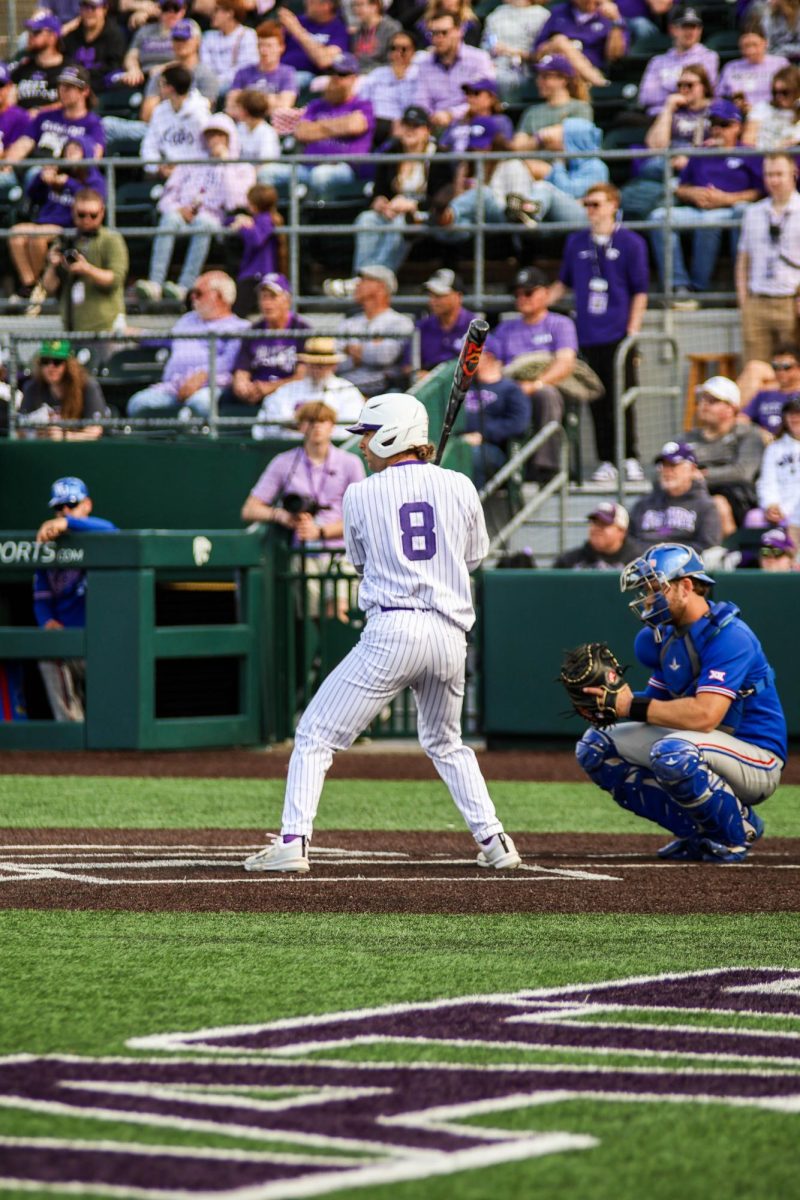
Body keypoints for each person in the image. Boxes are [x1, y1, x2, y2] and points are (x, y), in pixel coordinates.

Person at [243, 391, 522, 874]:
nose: (364, 447)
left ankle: (293, 841)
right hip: (449, 636)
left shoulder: (361, 493)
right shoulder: (459, 484)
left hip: (394, 628)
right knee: (446, 742)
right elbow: (474, 557)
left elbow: (361, 561)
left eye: (369, 436)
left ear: (393, 435)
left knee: (313, 734)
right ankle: (496, 842)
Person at [576, 541, 786, 863]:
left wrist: (630, 707)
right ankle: (698, 833)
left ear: (685, 586)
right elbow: (657, 706)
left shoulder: (729, 635)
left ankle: (736, 831)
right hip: (702, 745)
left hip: (756, 757)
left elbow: (705, 716)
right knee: (596, 747)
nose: (647, 599)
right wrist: (609, 703)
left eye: (654, 588)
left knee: (673, 753)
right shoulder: (661, 637)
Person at [550, 182, 649, 486]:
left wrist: (633, 329)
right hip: (588, 334)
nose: (590, 211)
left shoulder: (631, 243)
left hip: (618, 332)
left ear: (612, 205)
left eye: (596, 204)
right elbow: (563, 283)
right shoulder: (576, 242)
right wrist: (541, 300)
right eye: (587, 205)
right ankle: (607, 459)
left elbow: (640, 292)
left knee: (624, 398)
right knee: (597, 399)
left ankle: (629, 456)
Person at [241, 399, 366, 616]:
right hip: (303, 554)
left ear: (331, 425)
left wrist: (320, 531)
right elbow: (250, 509)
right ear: (300, 426)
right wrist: (280, 515)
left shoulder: (350, 463)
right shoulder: (284, 462)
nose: (316, 427)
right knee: (310, 617)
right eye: (310, 421)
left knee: (338, 612)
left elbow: (363, 517)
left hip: (341, 551)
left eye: (322, 421)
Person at [649, 99, 763, 308]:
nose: (717, 129)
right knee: (658, 217)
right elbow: (681, 187)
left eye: (724, 124)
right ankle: (678, 286)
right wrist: (693, 193)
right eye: (714, 124)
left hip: (730, 211)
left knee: (712, 221)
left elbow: (759, 193)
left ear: (737, 126)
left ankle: (698, 287)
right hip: (697, 208)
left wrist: (727, 199)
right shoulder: (701, 152)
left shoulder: (748, 153)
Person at [136, 112, 256, 304]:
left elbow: (235, 202)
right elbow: (166, 198)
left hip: (216, 222)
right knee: (169, 218)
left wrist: (225, 163)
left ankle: (185, 287)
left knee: (203, 222)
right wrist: (178, 208)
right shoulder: (190, 162)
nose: (214, 140)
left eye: (219, 135)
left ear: (229, 138)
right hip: (183, 217)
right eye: (210, 135)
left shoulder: (242, 168)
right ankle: (155, 284)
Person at [33, 475, 117, 722]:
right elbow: (41, 599)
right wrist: (47, 621)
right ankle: (70, 733)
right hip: (68, 644)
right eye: (60, 508)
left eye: (72, 505)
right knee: (48, 651)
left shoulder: (99, 534)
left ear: (87, 505)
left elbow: (111, 530)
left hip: (102, 643)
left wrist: (68, 524)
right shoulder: (48, 544)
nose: (65, 511)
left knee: (109, 716)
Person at [489, 265, 577, 484]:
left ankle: (545, 467)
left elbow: (565, 363)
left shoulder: (560, 323)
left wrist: (535, 384)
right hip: (510, 387)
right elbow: (493, 364)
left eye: (528, 292)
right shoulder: (504, 329)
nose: (522, 298)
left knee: (545, 395)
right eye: (517, 293)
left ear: (545, 293)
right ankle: (495, 464)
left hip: (546, 387)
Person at [126, 271, 249, 419]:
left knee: (199, 404)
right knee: (137, 404)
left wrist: (203, 376)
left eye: (199, 293)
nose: (192, 297)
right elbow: (166, 338)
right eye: (192, 292)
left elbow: (228, 362)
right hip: (174, 388)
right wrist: (138, 334)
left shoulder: (239, 327)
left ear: (220, 296)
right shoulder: (187, 320)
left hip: (211, 387)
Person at [8, 136, 106, 308]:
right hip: (44, 221)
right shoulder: (57, 171)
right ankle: (30, 285)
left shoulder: (93, 178)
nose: (70, 154)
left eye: (75, 151)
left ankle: (42, 287)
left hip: (69, 225)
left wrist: (69, 183)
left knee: (36, 238)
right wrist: (42, 178)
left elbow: (93, 201)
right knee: (15, 233)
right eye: (67, 150)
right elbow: (32, 195)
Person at [261, 54, 376, 202]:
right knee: (267, 172)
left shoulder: (363, 104)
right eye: (332, 73)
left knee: (320, 175)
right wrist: (340, 125)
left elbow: (354, 125)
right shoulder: (317, 105)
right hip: (307, 166)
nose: (335, 78)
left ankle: (317, 218)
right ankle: (271, 220)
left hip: (344, 167)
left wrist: (317, 127)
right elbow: (301, 132)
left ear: (353, 78)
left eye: (342, 74)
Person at [736, 152, 800, 364]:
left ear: (794, 174)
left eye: (779, 174)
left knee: (792, 371)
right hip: (758, 301)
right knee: (755, 368)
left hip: (791, 301)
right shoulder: (753, 212)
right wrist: (744, 300)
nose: (773, 180)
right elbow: (743, 260)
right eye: (769, 174)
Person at [42, 186, 129, 333]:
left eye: (93, 215)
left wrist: (86, 269)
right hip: (71, 328)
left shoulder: (111, 239)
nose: (87, 220)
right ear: (73, 212)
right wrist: (52, 265)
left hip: (106, 327)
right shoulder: (65, 241)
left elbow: (115, 279)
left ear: (102, 213)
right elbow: (49, 288)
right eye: (81, 215)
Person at [685, 375, 765, 534]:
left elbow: (742, 472)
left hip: (737, 499)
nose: (704, 405)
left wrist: (701, 475)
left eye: (712, 401)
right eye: (701, 399)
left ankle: (728, 554)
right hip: (690, 495)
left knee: (717, 504)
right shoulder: (687, 438)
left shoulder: (749, 435)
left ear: (732, 408)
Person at [222, 272, 311, 415]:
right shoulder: (253, 330)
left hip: (289, 392)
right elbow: (241, 370)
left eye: (273, 297)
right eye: (263, 298)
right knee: (224, 398)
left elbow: (302, 376)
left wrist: (270, 387)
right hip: (255, 391)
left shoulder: (302, 329)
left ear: (287, 300)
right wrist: (242, 386)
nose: (267, 304)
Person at [252, 337, 364, 440]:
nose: (316, 369)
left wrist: (307, 432)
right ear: (305, 364)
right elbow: (264, 429)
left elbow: (349, 433)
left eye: (322, 365)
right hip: (288, 452)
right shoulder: (286, 391)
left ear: (334, 365)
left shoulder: (348, 391)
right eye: (312, 363)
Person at [461, 337, 531, 488]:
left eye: (472, 354)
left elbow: (518, 423)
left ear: (488, 357)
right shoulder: (464, 387)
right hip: (460, 442)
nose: (465, 359)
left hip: (493, 449)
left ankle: (470, 508)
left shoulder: (510, 389)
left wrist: (483, 434)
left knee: (473, 456)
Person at [628, 439, 723, 552]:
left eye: (673, 465)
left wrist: (671, 555)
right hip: (646, 564)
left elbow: (708, 547)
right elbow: (630, 541)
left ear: (692, 469)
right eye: (664, 466)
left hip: (686, 565)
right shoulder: (643, 504)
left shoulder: (705, 506)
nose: (667, 471)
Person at [337, 265, 414, 397]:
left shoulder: (400, 322)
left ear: (381, 287)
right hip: (346, 390)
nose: (358, 285)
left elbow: (384, 356)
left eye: (365, 280)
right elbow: (337, 362)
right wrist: (370, 348)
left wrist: (351, 350)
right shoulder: (349, 322)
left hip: (383, 391)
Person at [5, 64, 105, 163]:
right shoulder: (44, 116)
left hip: (69, 174)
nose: (62, 91)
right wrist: (7, 165)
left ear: (85, 91)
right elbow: (24, 143)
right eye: (61, 85)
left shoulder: (93, 123)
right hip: (37, 169)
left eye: (69, 87)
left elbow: (94, 157)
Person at [414, 12, 496, 129]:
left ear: (459, 31)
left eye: (444, 32)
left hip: (471, 123)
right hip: (434, 125)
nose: (438, 38)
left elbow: (484, 100)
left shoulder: (479, 58)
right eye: (433, 33)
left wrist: (451, 114)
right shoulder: (424, 63)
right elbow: (421, 101)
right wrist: (431, 118)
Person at [19, 339, 110, 440]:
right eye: (45, 361)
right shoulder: (32, 387)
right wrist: (37, 434)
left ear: (68, 365)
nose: (51, 367)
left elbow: (94, 431)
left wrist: (63, 436)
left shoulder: (88, 386)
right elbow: (19, 429)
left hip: (82, 450)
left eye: (57, 362)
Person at [637, 5, 719, 116]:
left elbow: (704, 93)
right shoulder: (658, 61)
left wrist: (667, 90)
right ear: (673, 29)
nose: (689, 32)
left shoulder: (709, 57)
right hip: (658, 117)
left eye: (693, 27)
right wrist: (683, 91)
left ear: (700, 30)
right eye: (685, 26)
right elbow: (645, 97)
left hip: (694, 116)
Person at [533, 0, 628, 89]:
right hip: (559, 74)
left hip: (596, 69)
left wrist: (616, 21)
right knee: (560, 40)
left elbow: (615, 56)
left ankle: (595, 80)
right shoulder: (559, 12)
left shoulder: (606, 17)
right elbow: (537, 53)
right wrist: (560, 46)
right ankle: (599, 82)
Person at [139, 63, 211, 178]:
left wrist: (184, 170)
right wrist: (158, 167)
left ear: (170, 88)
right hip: (167, 173)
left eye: (161, 84)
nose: (159, 88)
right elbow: (149, 146)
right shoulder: (160, 111)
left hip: (197, 173)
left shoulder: (200, 113)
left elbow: (208, 149)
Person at [226, 183, 285, 315]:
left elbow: (256, 240)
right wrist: (239, 219)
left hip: (259, 275)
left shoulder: (266, 219)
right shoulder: (255, 218)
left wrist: (245, 227)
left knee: (236, 312)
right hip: (251, 275)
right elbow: (226, 221)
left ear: (254, 205)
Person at [513, 54, 593, 147]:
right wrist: (539, 137)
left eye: (545, 76)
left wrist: (533, 141)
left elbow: (571, 141)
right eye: (539, 76)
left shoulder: (580, 107)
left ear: (563, 79)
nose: (539, 81)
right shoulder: (532, 112)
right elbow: (517, 145)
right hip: (534, 160)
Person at [355, 30, 421, 138]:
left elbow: (414, 108)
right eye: (393, 48)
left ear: (413, 52)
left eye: (403, 49)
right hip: (373, 125)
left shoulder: (419, 75)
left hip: (403, 126)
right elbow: (362, 101)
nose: (398, 53)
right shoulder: (378, 73)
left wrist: (401, 78)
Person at [754, 394, 800, 545]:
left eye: (799, 413)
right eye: (791, 413)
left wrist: (789, 510)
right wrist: (770, 505)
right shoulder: (774, 448)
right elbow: (766, 482)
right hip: (779, 509)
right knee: (753, 518)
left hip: (795, 511)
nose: (795, 418)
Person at [228, 20, 298, 114]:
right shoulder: (243, 72)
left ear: (281, 48)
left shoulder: (287, 73)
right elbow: (231, 107)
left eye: (269, 46)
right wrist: (272, 99)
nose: (264, 51)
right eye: (260, 45)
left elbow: (284, 107)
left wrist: (246, 100)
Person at [480, 0, 549, 94]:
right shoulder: (496, 14)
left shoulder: (542, 15)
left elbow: (543, 54)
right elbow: (486, 45)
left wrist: (513, 52)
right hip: (496, 67)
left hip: (528, 70)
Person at [415, 268, 476, 373]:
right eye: (430, 295)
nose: (432, 301)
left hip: (466, 385)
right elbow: (408, 365)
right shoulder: (422, 327)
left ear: (458, 296)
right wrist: (418, 374)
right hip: (429, 385)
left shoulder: (475, 326)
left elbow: (487, 362)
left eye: (439, 295)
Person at [717, 21, 789, 111]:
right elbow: (720, 97)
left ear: (765, 43)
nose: (750, 50)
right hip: (739, 115)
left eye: (755, 45)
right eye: (746, 46)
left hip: (772, 113)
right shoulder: (731, 67)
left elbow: (789, 93)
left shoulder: (780, 64)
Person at [278, 0, 351, 87]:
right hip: (279, 69)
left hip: (305, 75)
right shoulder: (299, 20)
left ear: (327, 5)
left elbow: (323, 61)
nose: (306, 2)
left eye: (312, 1)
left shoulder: (338, 30)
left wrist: (297, 31)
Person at [554, 500, 642, 569]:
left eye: (604, 524)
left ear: (622, 531)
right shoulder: (568, 562)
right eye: (594, 523)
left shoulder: (637, 563)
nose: (597, 528)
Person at [63, 0, 126, 94]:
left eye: (93, 7)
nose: (88, 11)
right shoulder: (71, 36)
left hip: (103, 90)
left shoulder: (115, 36)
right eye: (84, 6)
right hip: (74, 88)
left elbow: (114, 67)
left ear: (105, 9)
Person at [10, 12, 67, 114]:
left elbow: (73, 103)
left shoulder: (68, 69)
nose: (30, 36)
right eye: (30, 31)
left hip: (52, 125)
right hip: (21, 124)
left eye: (36, 32)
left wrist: (40, 111)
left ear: (53, 36)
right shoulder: (23, 66)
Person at [199, 0, 259, 94]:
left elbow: (246, 69)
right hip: (211, 86)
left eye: (217, 10)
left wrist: (218, 82)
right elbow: (205, 66)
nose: (213, 14)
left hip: (238, 87)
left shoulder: (247, 34)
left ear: (229, 13)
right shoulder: (208, 37)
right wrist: (213, 82)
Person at [741, 341, 800, 436]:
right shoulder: (764, 394)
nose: (780, 371)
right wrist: (759, 433)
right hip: (762, 443)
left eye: (786, 367)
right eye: (775, 366)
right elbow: (742, 419)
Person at [741, 63, 800, 148]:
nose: (779, 97)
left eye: (785, 92)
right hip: (765, 157)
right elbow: (748, 141)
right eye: (775, 92)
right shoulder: (762, 108)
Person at [350, 0, 402, 71]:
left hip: (381, 75)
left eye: (360, 5)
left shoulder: (391, 28)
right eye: (355, 5)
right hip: (357, 76)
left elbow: (394, 60)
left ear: (375, 6)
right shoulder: (358, 30)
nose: (356, 9)